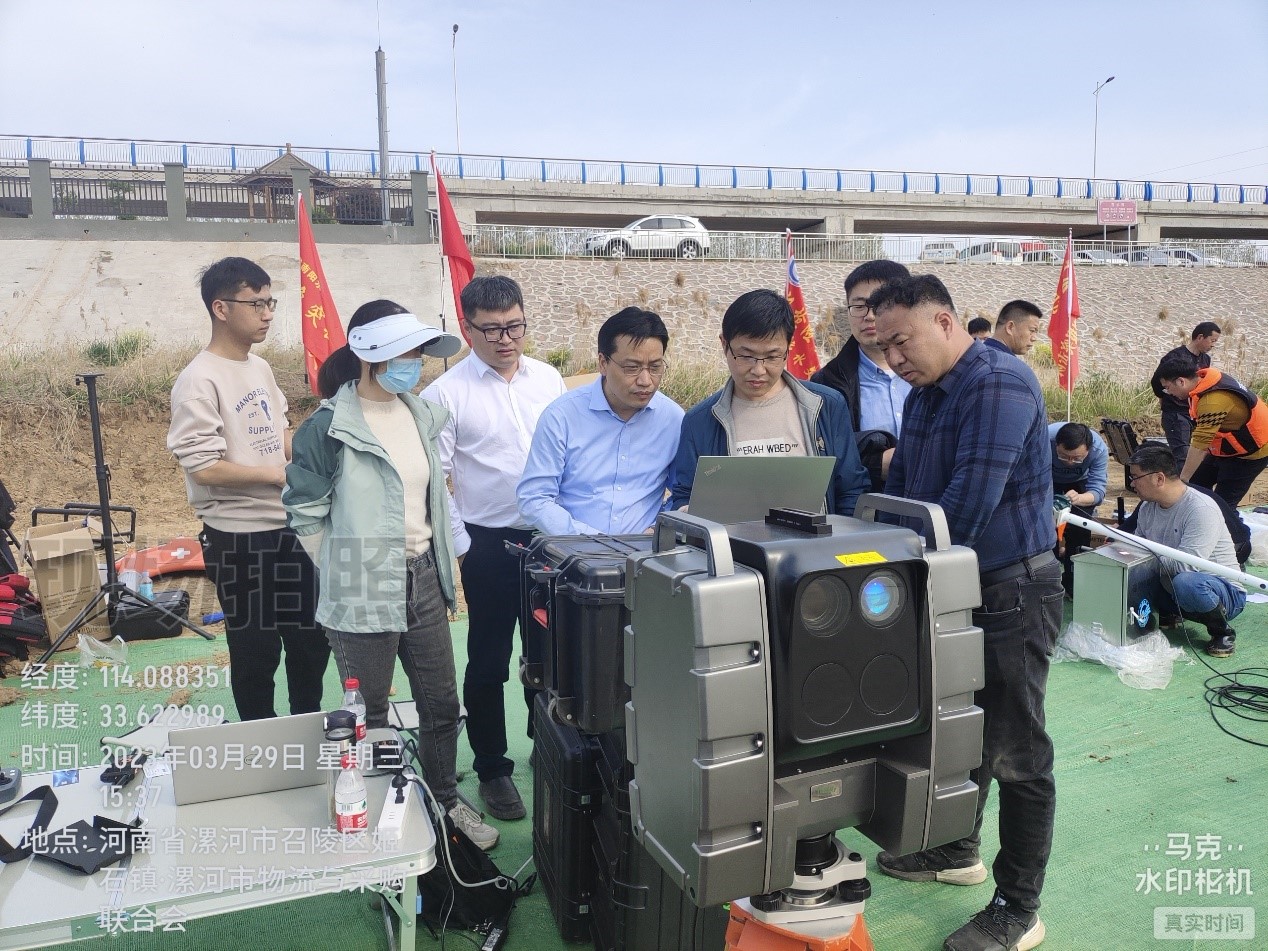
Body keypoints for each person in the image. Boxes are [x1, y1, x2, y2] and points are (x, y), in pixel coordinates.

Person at [872, 274, 1060, 951]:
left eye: (903, 341)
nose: (895, 358)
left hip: (1011, 590)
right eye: (884, 347)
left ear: (945, 322)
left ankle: (1018, 907)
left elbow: (964, 512)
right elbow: (902, 496)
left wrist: (889, 569)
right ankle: (956, 849)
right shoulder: (924, 394)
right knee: (964, 733)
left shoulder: (999, 383)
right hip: (952, 588)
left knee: (1018, 752)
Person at [283, 301, 499, 850]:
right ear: (372, 356)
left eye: (419, 354)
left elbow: (433, 496)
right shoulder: (329, 427)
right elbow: (305, 511)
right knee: (370, 712)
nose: (416, 364)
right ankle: (379, 807)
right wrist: (342, 571)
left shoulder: (420, 415)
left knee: (441, 704)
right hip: (360, 583)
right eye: (407, 353)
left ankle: (445, 801)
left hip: (423, 576)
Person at [421, 275, 566, 823]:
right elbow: (439, 481)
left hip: (551, 540)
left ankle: (550, 750)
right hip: (487, 543)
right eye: (492, 330)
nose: (506, 339)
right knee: (488, 660)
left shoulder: (547, 379)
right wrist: (464, 548)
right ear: (467, 328)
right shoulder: (445, 394)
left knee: (551, 656)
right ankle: (491, 768)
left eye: (515, 326)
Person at [168, 257, 330, 722]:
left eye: (270, 302)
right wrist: (276, 475)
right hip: (239, 537)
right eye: (256, 304)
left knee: (310, 637)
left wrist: (315, 454)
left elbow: (279, 433)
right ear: (220, 308)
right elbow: (203, 467)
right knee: (256, 648)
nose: (267, 314)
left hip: (290, 528)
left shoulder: (259, 368)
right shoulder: (199, 379)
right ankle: (261, 737)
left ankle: (306, 723)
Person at [671, 289, 870, 514]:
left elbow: (851, 490)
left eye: (772, 357)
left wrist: (837, 534)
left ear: (788, 347)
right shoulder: (699, 422)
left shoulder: (826, 406)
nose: (759, 370)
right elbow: (684, 495)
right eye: (746, 356)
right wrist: (686, 510)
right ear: (724, 344)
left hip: (814, 536)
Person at [518, 308, 684, 534]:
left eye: (655, 367)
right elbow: (534, 499)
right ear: (603, 363)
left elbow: (684, 494)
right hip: (573, 550)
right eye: (632, 368)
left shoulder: (673, 419)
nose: (646, 380)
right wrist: (593, 540)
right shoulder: (562, 417)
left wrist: (659, 528)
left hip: (646, 551)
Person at [1122, 445, 1245, 658]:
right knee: (1127, 574)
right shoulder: (1147, 507)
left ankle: (1222, 632)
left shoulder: (1200, 509)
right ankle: (1154, 619)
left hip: (1221, 590)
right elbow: (1138, 547)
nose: (1132, 483)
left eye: (1135, 477)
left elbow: (1188, 565)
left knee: (1186, 582)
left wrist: (1141, 561)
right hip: (1172, 584)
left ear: (1159, 478)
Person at [810, 260, 912, 490]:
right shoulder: (826, 384)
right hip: (867, 505)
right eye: (858, 306)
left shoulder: (935, 373)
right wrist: (876, 464)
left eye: (878, 304)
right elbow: (824, 458)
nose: (869, 316)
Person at [1156, 354, 1268, 508]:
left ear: (1181, 381)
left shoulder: (1212, 400)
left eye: (1168, 388)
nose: (1168, 393)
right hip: (1223, 448)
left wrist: (1183, 480)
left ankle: (1230, 523)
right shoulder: (1202, 384)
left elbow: (1200, 444)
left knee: (1223, 504)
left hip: (1252, 452)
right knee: (1196, 485)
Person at [1150, 322, 1221, 466]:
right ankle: (1183, 480)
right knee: (1181, 454)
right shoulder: (1175, 357)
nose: (1213, 345)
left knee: (1198, 452)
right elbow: (1156, 382)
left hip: (1194, 412)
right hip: (1176, 412)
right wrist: (1166, 399)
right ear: (1200, 337)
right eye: (1212, 341)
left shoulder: (1205, 359)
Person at [1050, 422, 1109, 592]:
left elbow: (1097, 491)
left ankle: (1074, 582)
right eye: (1063, 456)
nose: (1070, 463)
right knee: (1046, 530)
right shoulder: (1042, 440)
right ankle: (1048, 580)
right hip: (1047, 478)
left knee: (1080, 528)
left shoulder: (1099, 449)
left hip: (1080, 483)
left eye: (1077, 458)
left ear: (1089, 450)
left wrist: (1079, 498)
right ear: (1056, 446)